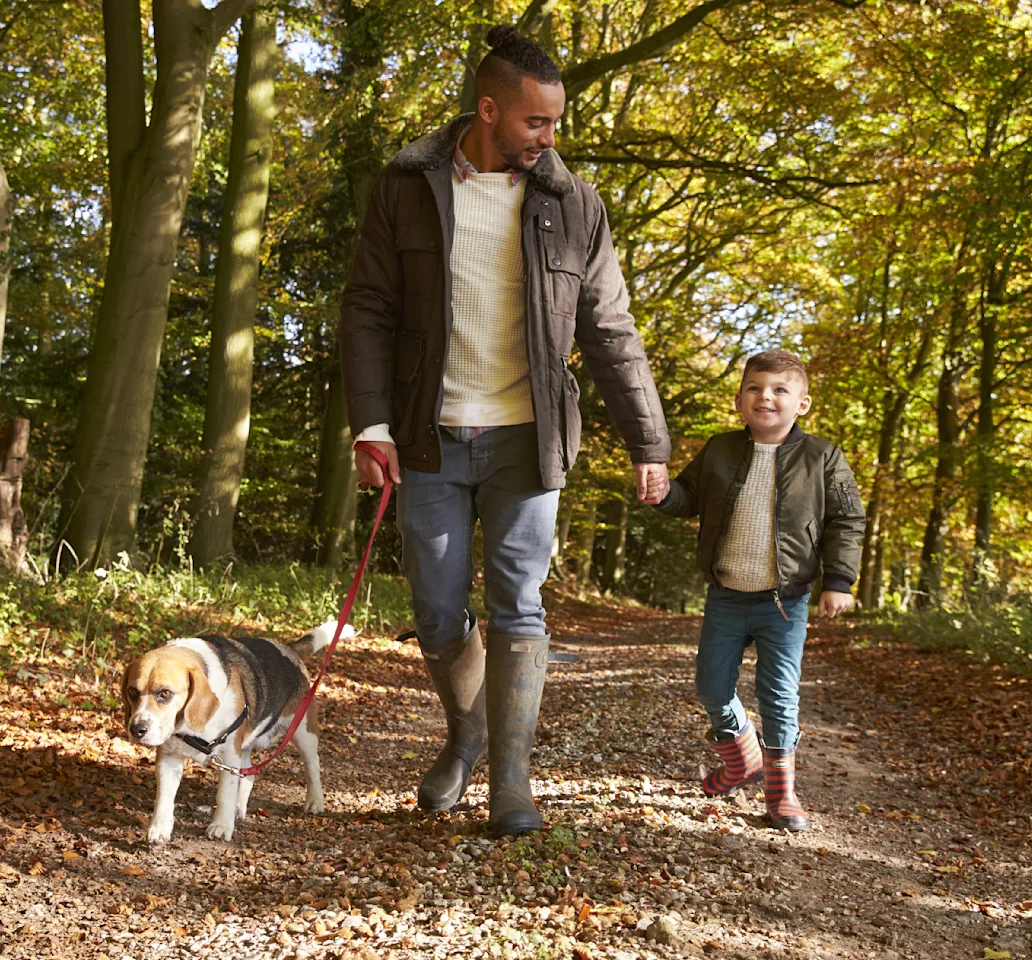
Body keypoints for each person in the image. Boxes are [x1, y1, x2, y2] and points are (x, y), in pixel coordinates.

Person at [339, 26, 671, 837]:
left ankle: (511, 781)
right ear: (489, 110)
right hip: (429, 437)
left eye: (555, 123)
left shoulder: (573, 203)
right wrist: (371, 425)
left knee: (519, 603)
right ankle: (469, 736)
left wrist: (649, 443)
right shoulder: (405, 186)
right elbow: (368, 309)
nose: (549, 138)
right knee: (439, 608)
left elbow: (610, 329)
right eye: (536, 122)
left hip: (530, 437)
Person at [654, 349, 865, 831]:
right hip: (727, 594)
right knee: (710, 686)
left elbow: (847, 519)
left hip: (785, 602)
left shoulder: (823, 457)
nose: (764, 397)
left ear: (802, 404)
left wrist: (839, 581)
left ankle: (781, 793)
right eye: (754, 388)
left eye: (778, 390)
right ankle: (741, 757)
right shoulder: (720, 449)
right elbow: (687, 497)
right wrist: (662, 491)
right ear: (738, 399)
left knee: (778, 695)